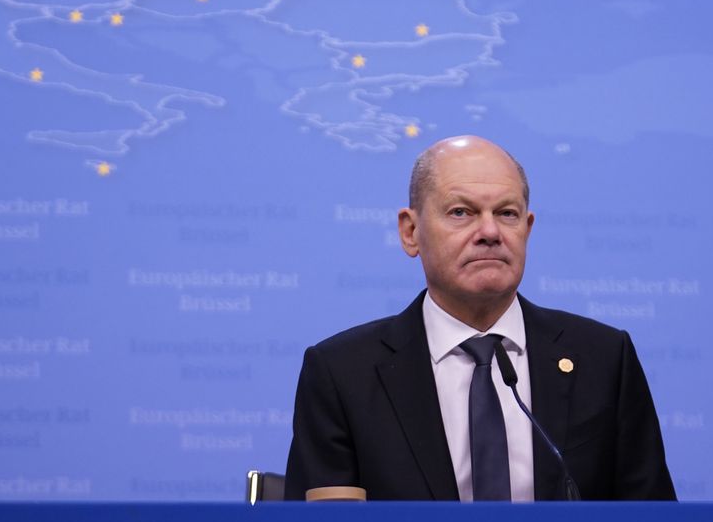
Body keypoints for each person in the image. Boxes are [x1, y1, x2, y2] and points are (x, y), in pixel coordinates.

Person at [285, 136, 675, 501]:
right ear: (410, 232)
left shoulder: (603, 359)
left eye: (507, 213)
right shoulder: (342, 373)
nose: (489, 232)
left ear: (527, 228)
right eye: (461, 212)